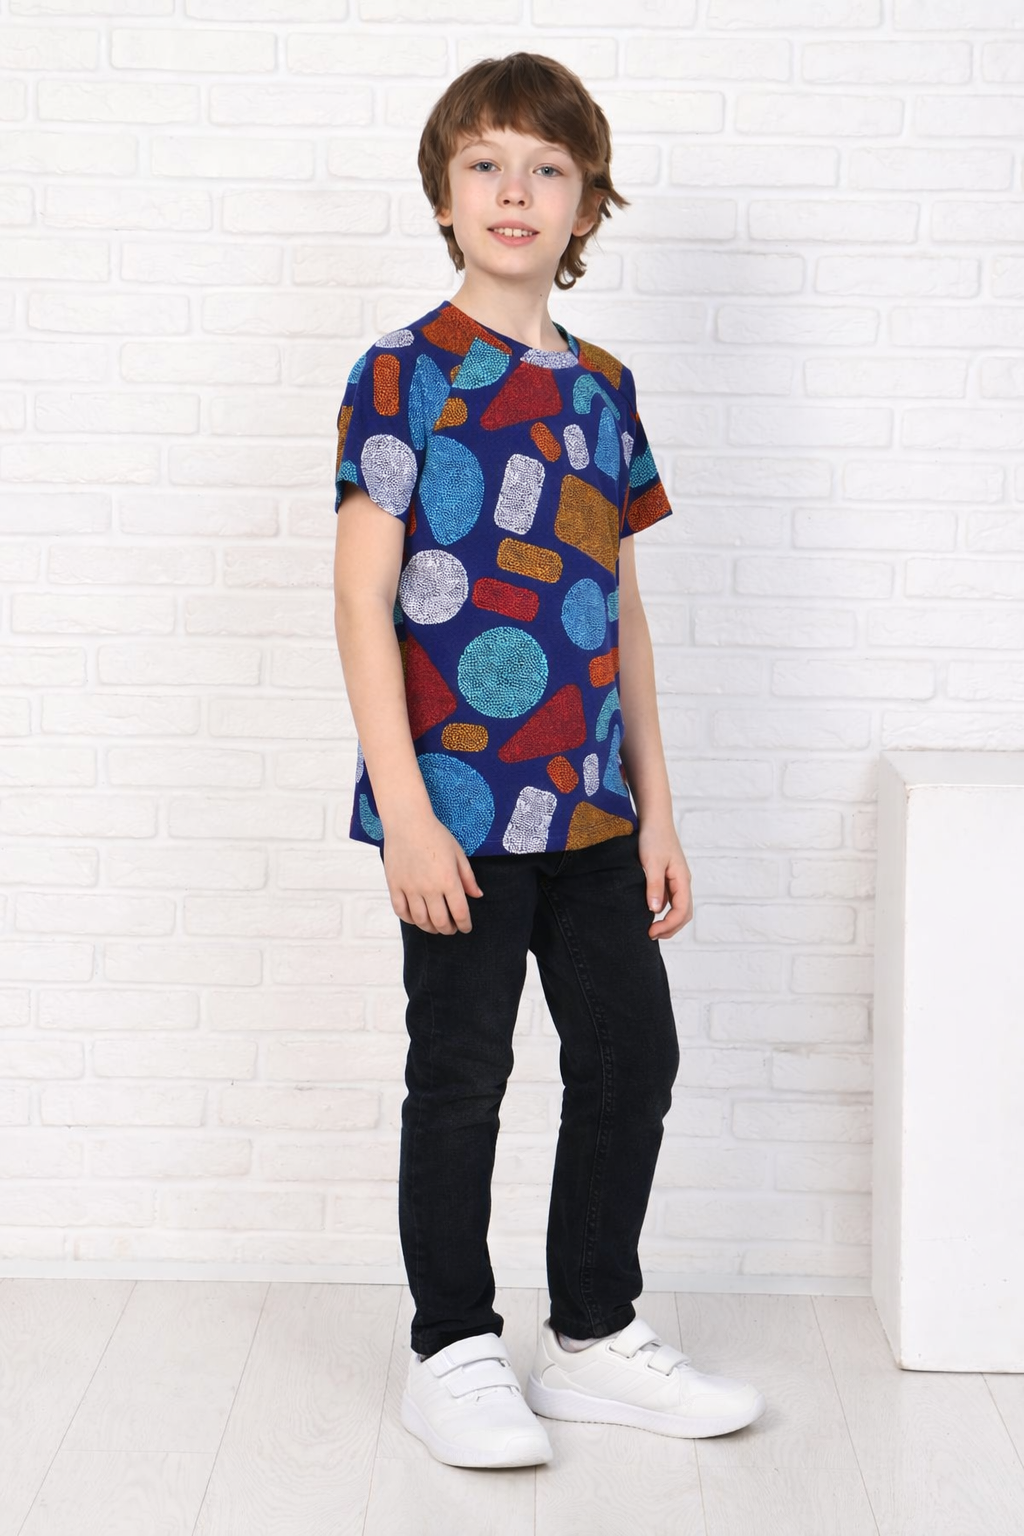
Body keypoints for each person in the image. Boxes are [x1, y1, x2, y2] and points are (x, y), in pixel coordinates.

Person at [332, 51, 766, 1470]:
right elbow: (361, 598)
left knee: (634, 1052)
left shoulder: (605, 390)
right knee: (462, 1071)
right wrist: (404, 812)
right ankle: (453, 1349)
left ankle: (590, 1338)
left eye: (547, 167)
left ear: (586, 204)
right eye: (485, 164)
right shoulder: (400, 374)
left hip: (590, 809)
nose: (514, 190)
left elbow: (618, 611)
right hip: (455, 807)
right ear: (444, 196)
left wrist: (659, 812)